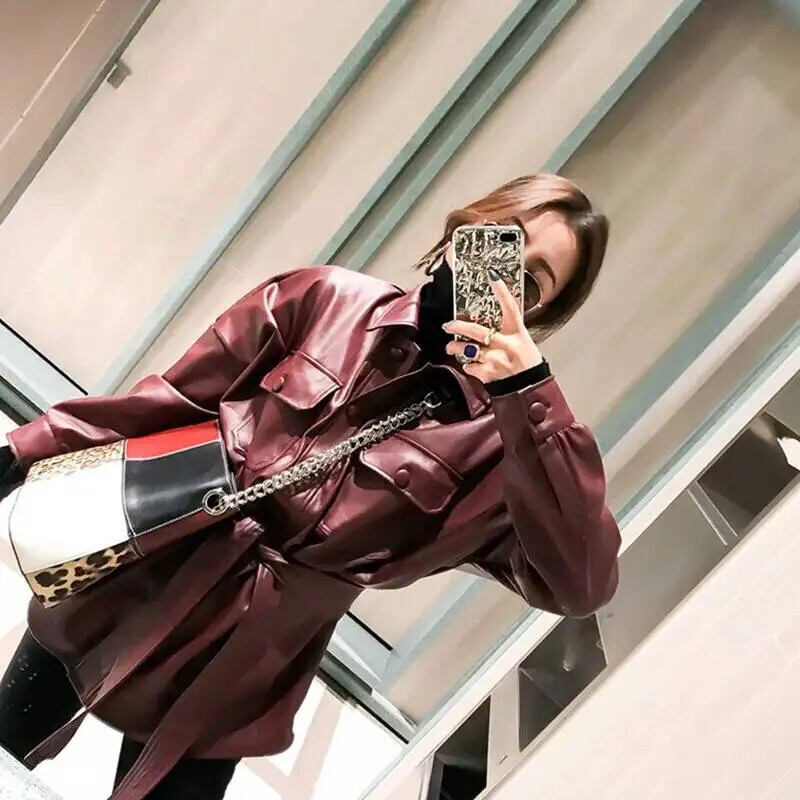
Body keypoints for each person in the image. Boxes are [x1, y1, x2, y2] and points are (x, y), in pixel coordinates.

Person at [0, 173, 621, 799]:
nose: (500, 280)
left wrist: (530, 395)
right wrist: (24, 451)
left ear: (539, 315)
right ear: (468, 227)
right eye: (504, 241)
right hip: (135, 583)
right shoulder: (327, 299)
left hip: (242, 675)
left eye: (530, 282)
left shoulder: (503, 449)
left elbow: (580, 584)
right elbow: (169, 401)